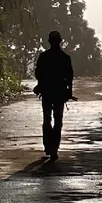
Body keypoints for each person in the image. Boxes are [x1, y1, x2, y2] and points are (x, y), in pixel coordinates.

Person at [34, 31, 74, 161]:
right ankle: (54, 148)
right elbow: (70, 77)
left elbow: (38, 74)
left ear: (49, 42)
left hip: (47, 92)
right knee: (57, 120)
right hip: (59, 93)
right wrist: (69, 92)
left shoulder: (44, 57)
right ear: (60, 41)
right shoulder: (65, 57)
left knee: (47, 119)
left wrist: (40, 86)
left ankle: (49, 146)